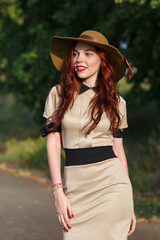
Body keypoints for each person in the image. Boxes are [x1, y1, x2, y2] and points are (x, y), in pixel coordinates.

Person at [40, 30, 136, 240]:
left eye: (88, 53)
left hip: (113, 187)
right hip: (76, 188)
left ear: (102, 60)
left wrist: (131, 205)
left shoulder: (117, 102)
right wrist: (58, 191)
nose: (79, 59)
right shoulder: (58, 94)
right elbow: (54, 142)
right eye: (75, 54)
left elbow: (118, 149)